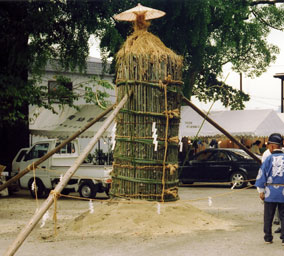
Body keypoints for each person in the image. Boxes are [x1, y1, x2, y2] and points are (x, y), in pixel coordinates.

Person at [255, 133, 284, 245]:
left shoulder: (268, 159)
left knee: (268, 216)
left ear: (272, 146)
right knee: (283, 215)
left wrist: (261, 191)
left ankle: (268, 237)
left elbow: (262, 175)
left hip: (270, 192)